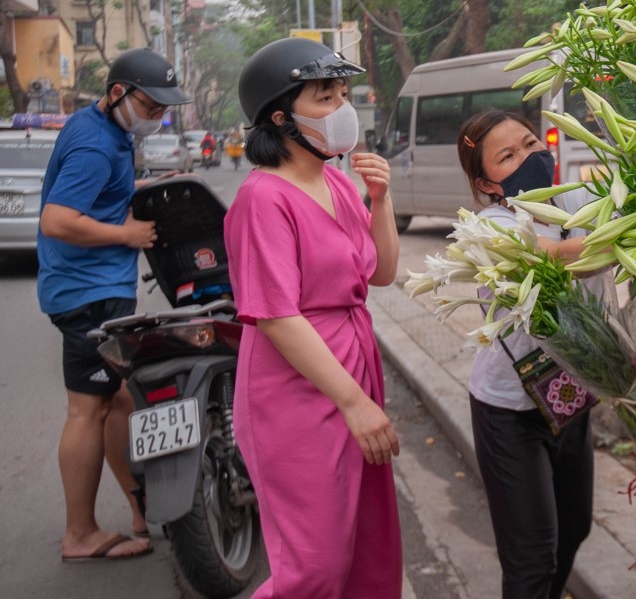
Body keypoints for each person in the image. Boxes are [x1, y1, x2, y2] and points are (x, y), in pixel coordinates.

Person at [224, 37, 403, 597]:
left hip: (352, 367)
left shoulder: (336, 182)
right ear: (280, 117)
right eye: (325, 98)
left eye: (343, 94)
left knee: (367, 553)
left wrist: (381, 200)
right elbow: (277, 318)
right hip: (295, 389)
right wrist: (353, 403)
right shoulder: (262, 199)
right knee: (314, 569)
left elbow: (380, 274)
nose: (342, 109)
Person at [38, 48, 192, 562]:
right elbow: (58, 219)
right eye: (151, 107)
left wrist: (146, 189)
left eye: (163, 110)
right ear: (117, 94)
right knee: (88, 409)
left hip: (92, 288)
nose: (157, 118)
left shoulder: (107, 131)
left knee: (118, 400)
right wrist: (126, 235)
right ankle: (79, 534)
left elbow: (99, 197)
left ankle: (140, 508)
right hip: (88, 293)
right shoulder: (95, 145)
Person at [458, 108, 596, 599]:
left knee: (574, 529)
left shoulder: (571, 201)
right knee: (532, 557)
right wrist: (618, 238)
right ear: (488, 184)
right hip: (509, 411)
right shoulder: (490, 226)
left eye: (531, 142)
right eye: (508, 156)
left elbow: (617, 205)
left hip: (568, 392)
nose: (529, 156)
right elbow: (546, 255)